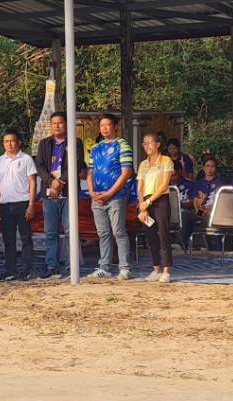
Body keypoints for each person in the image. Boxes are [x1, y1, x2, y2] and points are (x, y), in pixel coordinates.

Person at [85, 113, 135, 279]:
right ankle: (104, 267)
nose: (104, 128)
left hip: (116, 196)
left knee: (118, 232)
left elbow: (126, 172)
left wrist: (110, 193)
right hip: (97, 197)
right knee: (103, 233)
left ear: (115, 127)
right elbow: (90, 172)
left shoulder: (123, 145)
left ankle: (124, 268)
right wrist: (92, 192)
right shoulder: (95, 148)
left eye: (108, 125)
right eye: (102, 125)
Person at [34, 113, 83, 279]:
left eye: (60, 123)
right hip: (49, 194)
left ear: (66, 124)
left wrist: (60, 182)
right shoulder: (44, 143)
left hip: (68, 192)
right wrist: (51, 182)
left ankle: (71, 267)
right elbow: (39, 166)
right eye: (54, 123)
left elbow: (77, 164)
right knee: (51, 232)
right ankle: (52, 267)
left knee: (70, 231)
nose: (57, 126)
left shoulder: (75, 142)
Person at [0, 130, 38, 282]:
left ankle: (26, 270)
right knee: (8, 239)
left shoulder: (26, 159)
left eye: (12, 141)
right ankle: (10, 270)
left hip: (23, 203)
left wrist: (31, 204)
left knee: (26, 238)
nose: (9, 144)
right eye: (6, 141)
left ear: (18, 142)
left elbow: (32, 182)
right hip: (5, 204)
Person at [136, 132, 176, 283]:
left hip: (160, 200)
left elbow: (164, 185)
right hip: (145, 202)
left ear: (158, 144)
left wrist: (149, 201)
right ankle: (156, 269)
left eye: (149, 142)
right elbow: (140, 187)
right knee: (150, 235)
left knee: (163, 234)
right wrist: (143, 206)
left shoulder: (166, 160)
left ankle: (166, 270)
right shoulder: (143, 164)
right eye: (144, 143)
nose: (147, 146)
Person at [184, 156, 233, 249]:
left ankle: (207, 246)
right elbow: (195, 200)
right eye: (207, 166)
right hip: (201, 211)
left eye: (212, 166)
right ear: (203, 168)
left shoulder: (220, 183)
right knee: (185, 215)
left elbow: (221, 201)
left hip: (214, 213)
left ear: (216, 168)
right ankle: (184, 244)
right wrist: (198, 209)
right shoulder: (199, 183)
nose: (210, 169)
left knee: (208, 219)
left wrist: (210, 209)